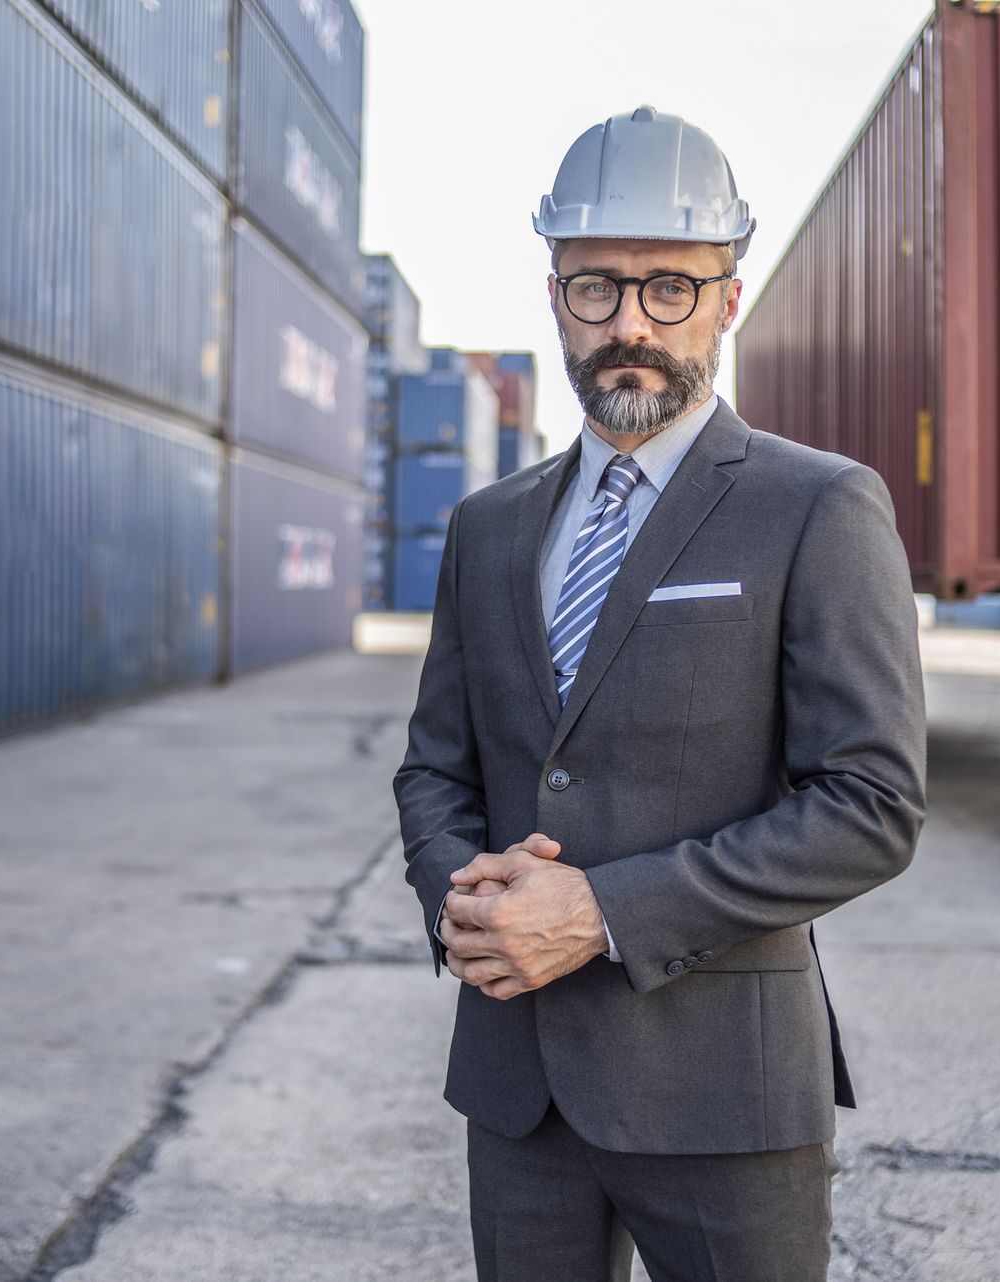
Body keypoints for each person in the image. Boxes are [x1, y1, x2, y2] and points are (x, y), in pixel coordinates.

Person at [393, 105, 927, 1281]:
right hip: (518, 1085)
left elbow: (872, 803)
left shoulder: (819, 507)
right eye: (596, 287)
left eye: (670, 289)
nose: (630, 323)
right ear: (554, 292)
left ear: (729, 297)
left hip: (721, 1092)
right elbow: (437, 764)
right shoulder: (487, 528)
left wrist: (599, 912)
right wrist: (463, 905)